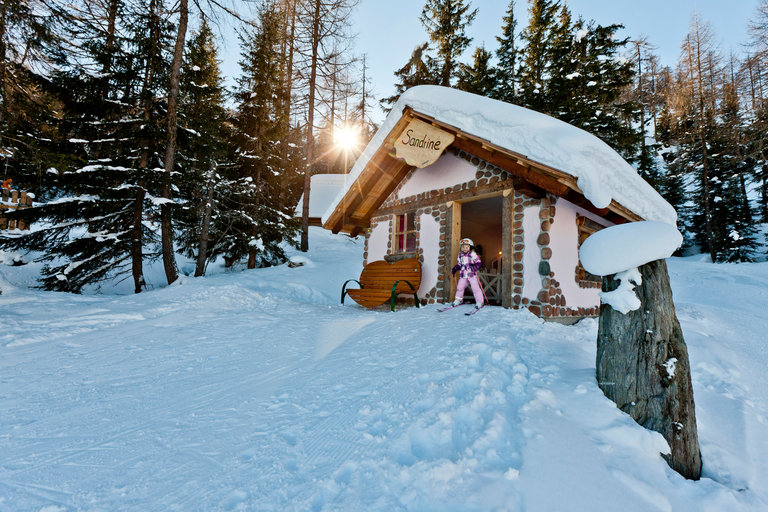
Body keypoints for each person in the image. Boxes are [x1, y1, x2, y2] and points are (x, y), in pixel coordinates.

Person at [450, 237, 485, 310]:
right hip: (463, 275)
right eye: (463, 247)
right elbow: (459, 264)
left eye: (466, 247)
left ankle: (479, 302)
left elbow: (478, 263)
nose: (464, 249)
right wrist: (455, 269)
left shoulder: (472, 254)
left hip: (471, 275)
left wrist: (474, 268)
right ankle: (458, 300)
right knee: (460, 287)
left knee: (475, 288)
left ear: (470, 247)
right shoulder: (460, 255)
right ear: (461, 248)